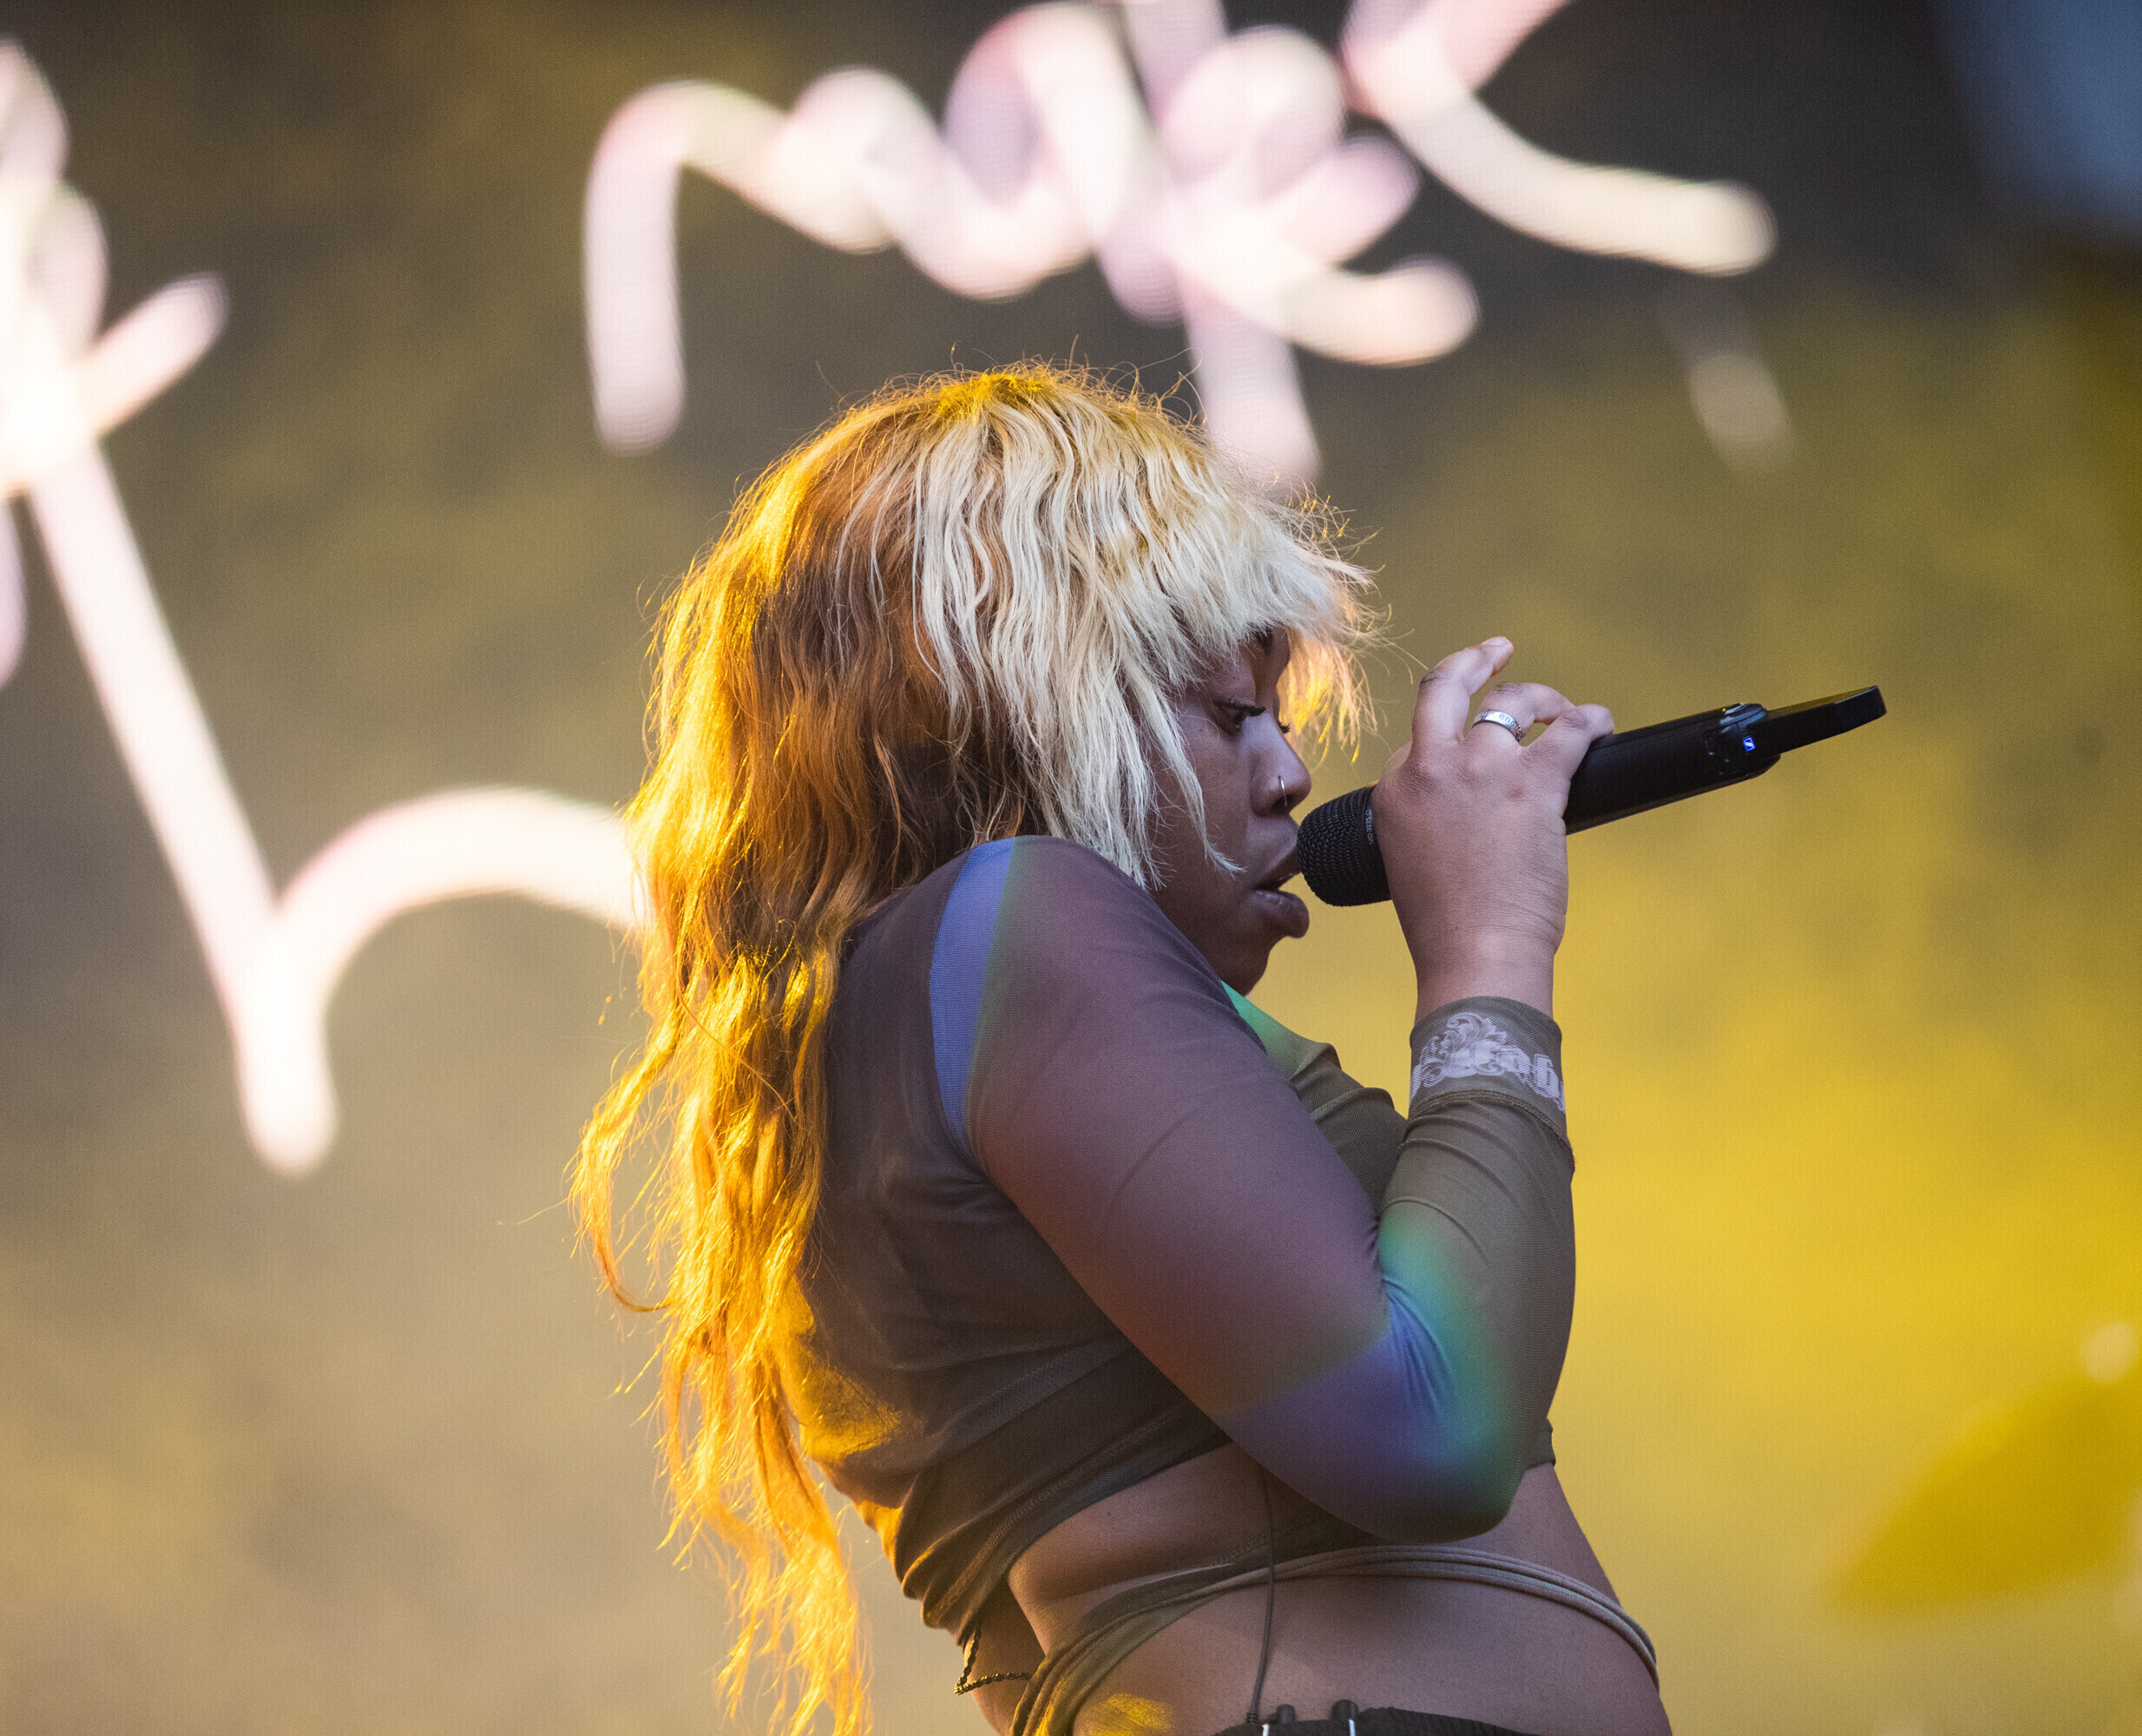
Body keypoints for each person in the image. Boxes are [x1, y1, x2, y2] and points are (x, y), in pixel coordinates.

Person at [575, 366, 1666, 1736]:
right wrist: (1490, 949)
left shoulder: (874, 1053)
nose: (1290, 775)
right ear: (1005, 695)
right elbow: (1429, 1430)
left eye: (1283, 720)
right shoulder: (1015, 922)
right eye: (1231, 715)